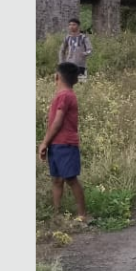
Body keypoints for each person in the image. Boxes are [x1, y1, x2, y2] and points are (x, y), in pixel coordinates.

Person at [39, 62, 89, 223]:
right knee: (57, 179)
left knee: (71, 179)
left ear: (57, 77)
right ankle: (56, 214)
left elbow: (58, 122)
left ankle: (82, 215)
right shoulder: (65, 95)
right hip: (57, 144)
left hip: (65, 144)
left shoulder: (64, 95)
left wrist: (44, 142)